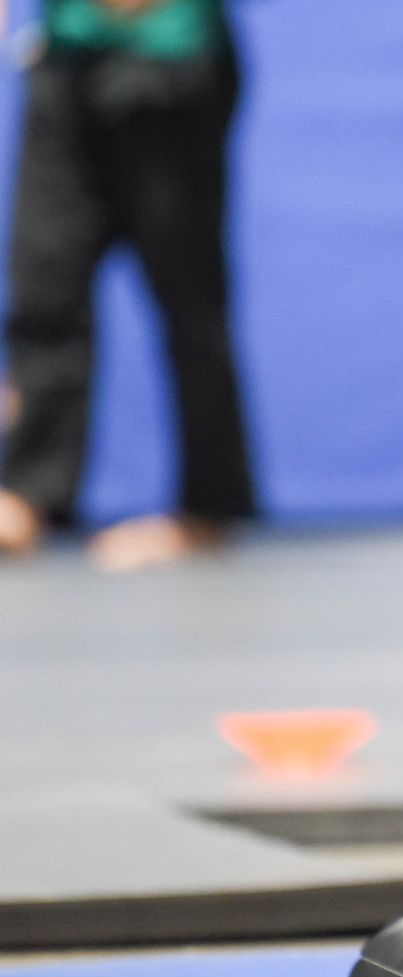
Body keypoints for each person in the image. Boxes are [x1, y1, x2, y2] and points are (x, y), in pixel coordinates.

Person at [0, 0, 253, 570]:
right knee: (45, 288)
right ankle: (29, 493)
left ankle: (208, 508)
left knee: (190, 301)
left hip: (169, 63)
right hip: (65, 62)